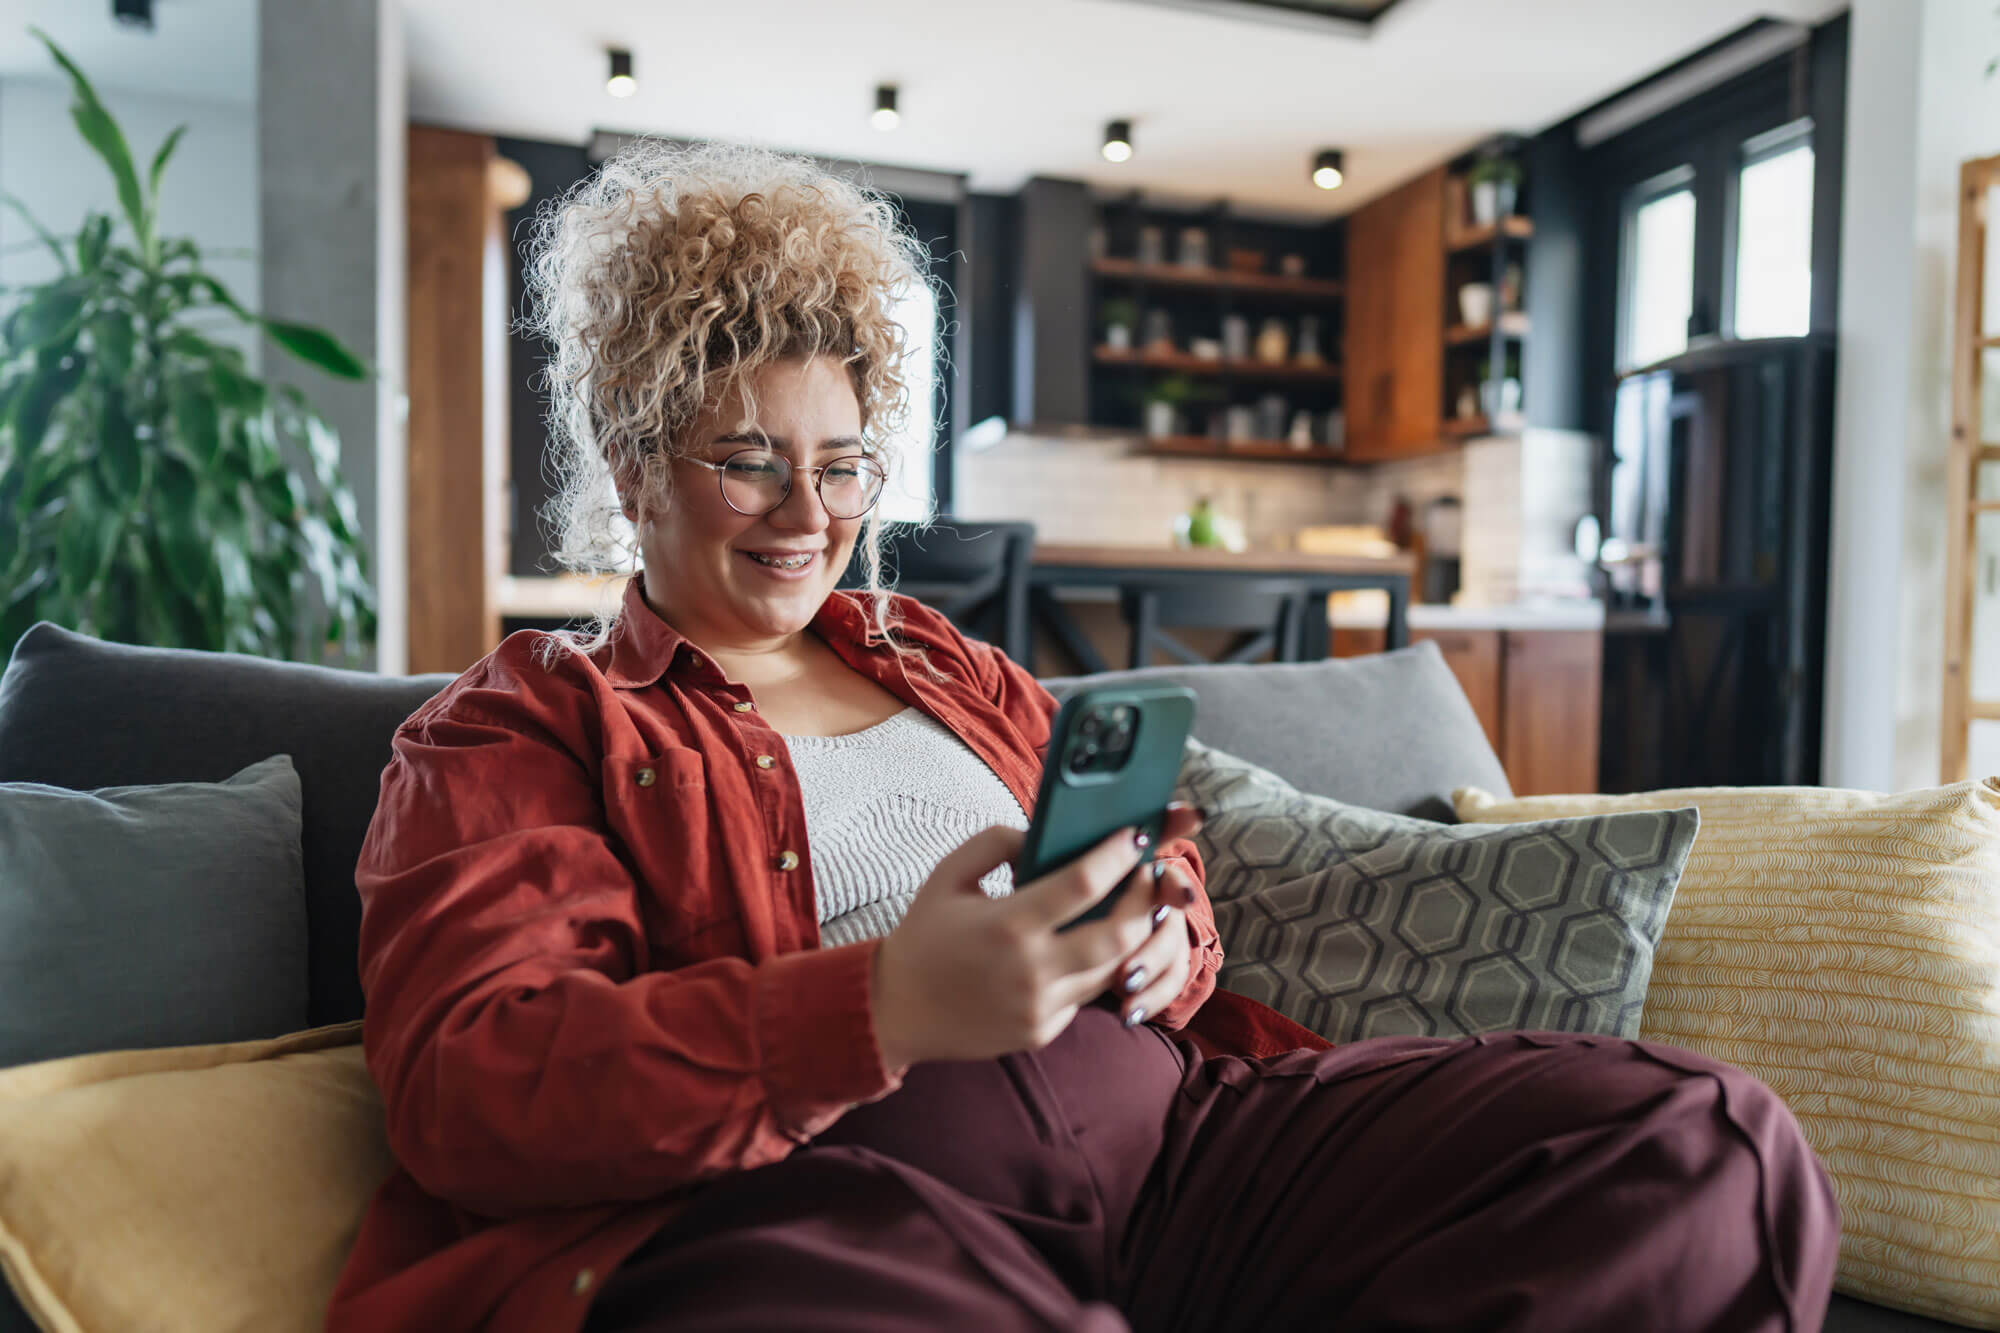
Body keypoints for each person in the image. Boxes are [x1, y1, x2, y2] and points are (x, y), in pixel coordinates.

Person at [326, 141, 1839, 1333]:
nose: (811, 519)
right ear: (630, 459)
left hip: (1193, 1151)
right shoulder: (518, 727)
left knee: (1708, 1145)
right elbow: (478, 1083)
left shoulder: (944, 661)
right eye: (749, 461)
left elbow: (1143, 841)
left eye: (844, 465)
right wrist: (879, 1009)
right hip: (843, 1205)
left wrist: (1166, 924)